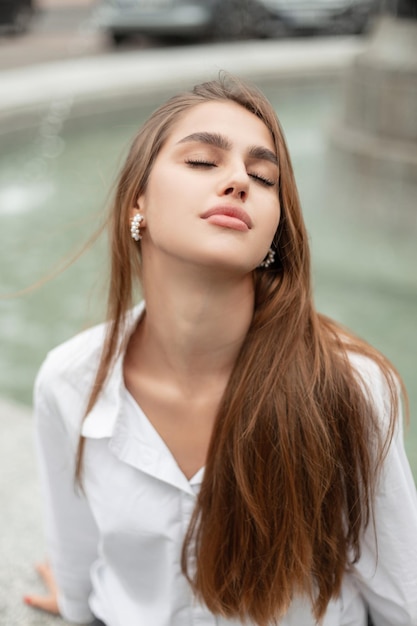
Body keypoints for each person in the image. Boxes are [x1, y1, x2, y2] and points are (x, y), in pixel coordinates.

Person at [25, 75, 417, 626]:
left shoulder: (351, 386)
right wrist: (73, 598)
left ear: (275, 233)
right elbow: (78, 564)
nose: (238, 181)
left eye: (263, 177)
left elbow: (404, 599)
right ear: (137, 200)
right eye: (203, 162)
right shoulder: (68, 381)